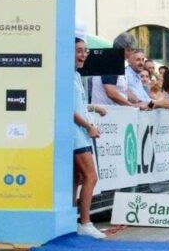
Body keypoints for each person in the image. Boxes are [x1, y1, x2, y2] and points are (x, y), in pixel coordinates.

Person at [72, 38, 107, 239]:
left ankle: (72, 220)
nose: (83, 55)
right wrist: (89, 127)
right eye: (79, 51)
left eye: (85, 51)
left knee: (76, 178)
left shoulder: (76, 75)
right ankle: (85, 222)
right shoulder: (65, 76)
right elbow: (68, 110)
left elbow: (78, 104)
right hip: (76, 133)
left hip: (80, 131)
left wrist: (94, 108)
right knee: (90, 177)